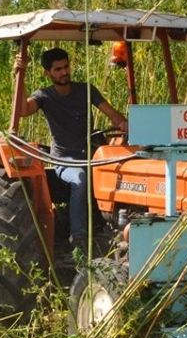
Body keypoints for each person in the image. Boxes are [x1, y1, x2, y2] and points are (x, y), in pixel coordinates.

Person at [15, 47, 128, 246]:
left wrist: (125, 124)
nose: (64, 72)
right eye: (58, 69)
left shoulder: (86, 90)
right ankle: (79, 239)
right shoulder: (44, 96)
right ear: (48, 73)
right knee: (80, 179)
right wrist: (19, 76)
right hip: (64, 160)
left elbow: (112, 113)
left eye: (66, 67)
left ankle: (115, 230)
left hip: (92, 156)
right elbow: (23, 110)